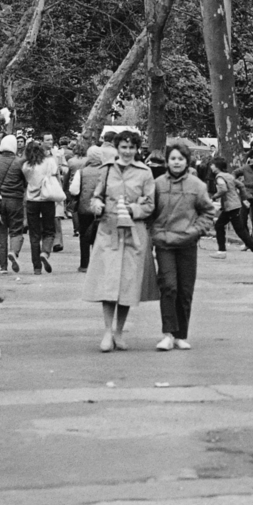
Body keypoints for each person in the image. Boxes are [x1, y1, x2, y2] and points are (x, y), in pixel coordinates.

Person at [83, 129, 158, 351]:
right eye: (123, 147)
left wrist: (133, 209)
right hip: (109, 231)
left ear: (137, 149)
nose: (127, 151)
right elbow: (96, 196)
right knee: (108, 283)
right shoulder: (106, 170)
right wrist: (96, 204)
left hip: (134, 233)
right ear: (117, 149)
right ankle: (106, 332)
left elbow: (150, 204)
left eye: (131, 147)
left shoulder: (145, 173)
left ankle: (119, 331)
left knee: (127, 284)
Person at [150, 143, 218, 349]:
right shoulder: (158, 184)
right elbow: (149, 210)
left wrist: (196, 230)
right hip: (164, 243)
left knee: (185, 290)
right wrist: (155, 233)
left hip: (188, 243)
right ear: (167, 161)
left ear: (187, 161)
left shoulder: (197, 185)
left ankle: (181, 335)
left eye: (180, 159)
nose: (176, 162)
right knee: (169, 286)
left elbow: (208, 212)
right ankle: (168, 333)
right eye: (173, 158)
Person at [21, 137, 62, 274]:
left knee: (34, 234)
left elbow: (25, 180)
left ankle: (36, 267)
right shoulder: (49, 162)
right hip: (47, 199)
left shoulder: (26, 166)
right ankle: (45, 252)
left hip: (32, 200)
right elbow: (56, 175)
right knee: (49, 230)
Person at [0, 133, 26, 273]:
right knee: (16, 229)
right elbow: (25, 182)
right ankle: (14, 252)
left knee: (1, 233)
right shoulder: (20, 162)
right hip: (15, 200)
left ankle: (3, 266)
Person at [210, 155, 253, 257]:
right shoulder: (229, 176)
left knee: (231, 228)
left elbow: (223, 189)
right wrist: (243, 197)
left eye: (212, 165)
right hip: (235, 205)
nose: (211, 167)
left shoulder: (219, 177)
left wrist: (214, 197)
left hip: (230, 206)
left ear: (217, 166)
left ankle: (222, 251)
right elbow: (240, 185)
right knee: (232, 227)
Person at [73, 143, 109, 273]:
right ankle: (97, 264)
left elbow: (74, 190)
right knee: (99, 236)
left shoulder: (81, 172)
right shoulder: (106, 171)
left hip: (84, 207)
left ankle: (84, 264)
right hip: (101, 207)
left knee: (84, 235)